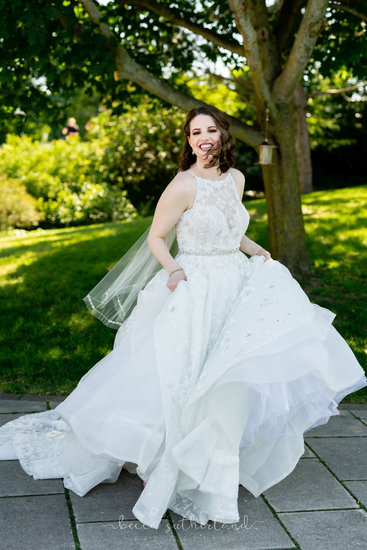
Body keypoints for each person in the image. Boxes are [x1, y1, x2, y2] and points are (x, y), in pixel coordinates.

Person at [0, 105, 366, 530]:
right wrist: (174, 270)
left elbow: (232, 227)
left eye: (211, 129)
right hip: (196, 286)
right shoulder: (182, 185)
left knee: (230, 375)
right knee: (186, 376)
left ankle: (219, 460)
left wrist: (257, 251)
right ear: (188, 141)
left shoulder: (237, 179)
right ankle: (175, 459)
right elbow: (157, 236)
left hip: (236, 284)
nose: (204, 137)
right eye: (196, 132)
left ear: (223, 135)